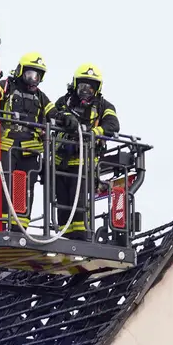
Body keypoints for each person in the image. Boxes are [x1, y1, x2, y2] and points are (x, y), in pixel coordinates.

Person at [51, 64, 119, 240]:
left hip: (84, 163)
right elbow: (51, 116)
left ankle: (82, 236)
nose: (85, 91)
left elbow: (113, 125)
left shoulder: (104, 106)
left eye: (90, 87)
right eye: (82, 86)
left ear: (97, 89)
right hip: (60, 162)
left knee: (79, 202)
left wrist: (94, 133)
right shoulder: (63, 102)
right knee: (62, 202)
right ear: (75, 85)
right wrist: (66, 118)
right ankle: (64, 236)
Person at [0, 52, 54, 231]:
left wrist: (66, 119)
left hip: (30, 149)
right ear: (21, 71)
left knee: (26, 187)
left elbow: (53, 113)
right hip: (6, 144)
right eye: (30, 74)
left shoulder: (40, 97)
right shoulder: (6, 86)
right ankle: (1, 222)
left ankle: (20, 226)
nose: (34, 79)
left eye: (37, 76)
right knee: (4, 182)